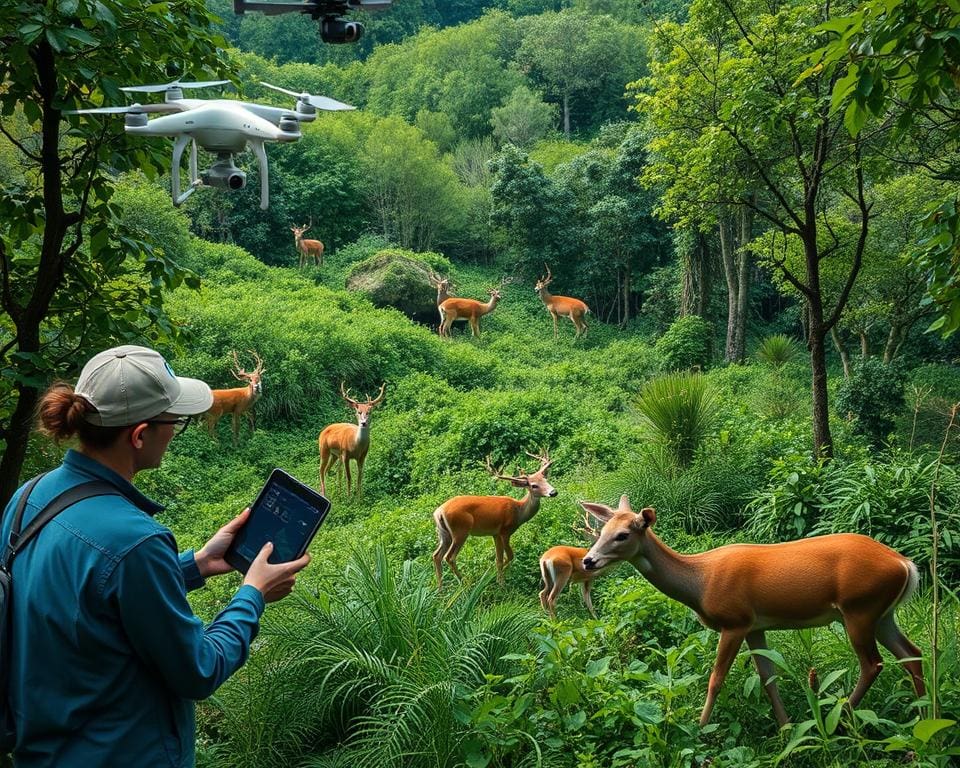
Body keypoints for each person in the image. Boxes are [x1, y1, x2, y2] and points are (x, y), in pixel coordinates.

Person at [0, 345, 310, 767]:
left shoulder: (27, 499)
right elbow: (199, 669)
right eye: (175, 422)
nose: (175, 431)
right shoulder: (136, 542)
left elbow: (86, 599)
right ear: (140, 435)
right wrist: (252, 594)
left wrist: (195, 564)